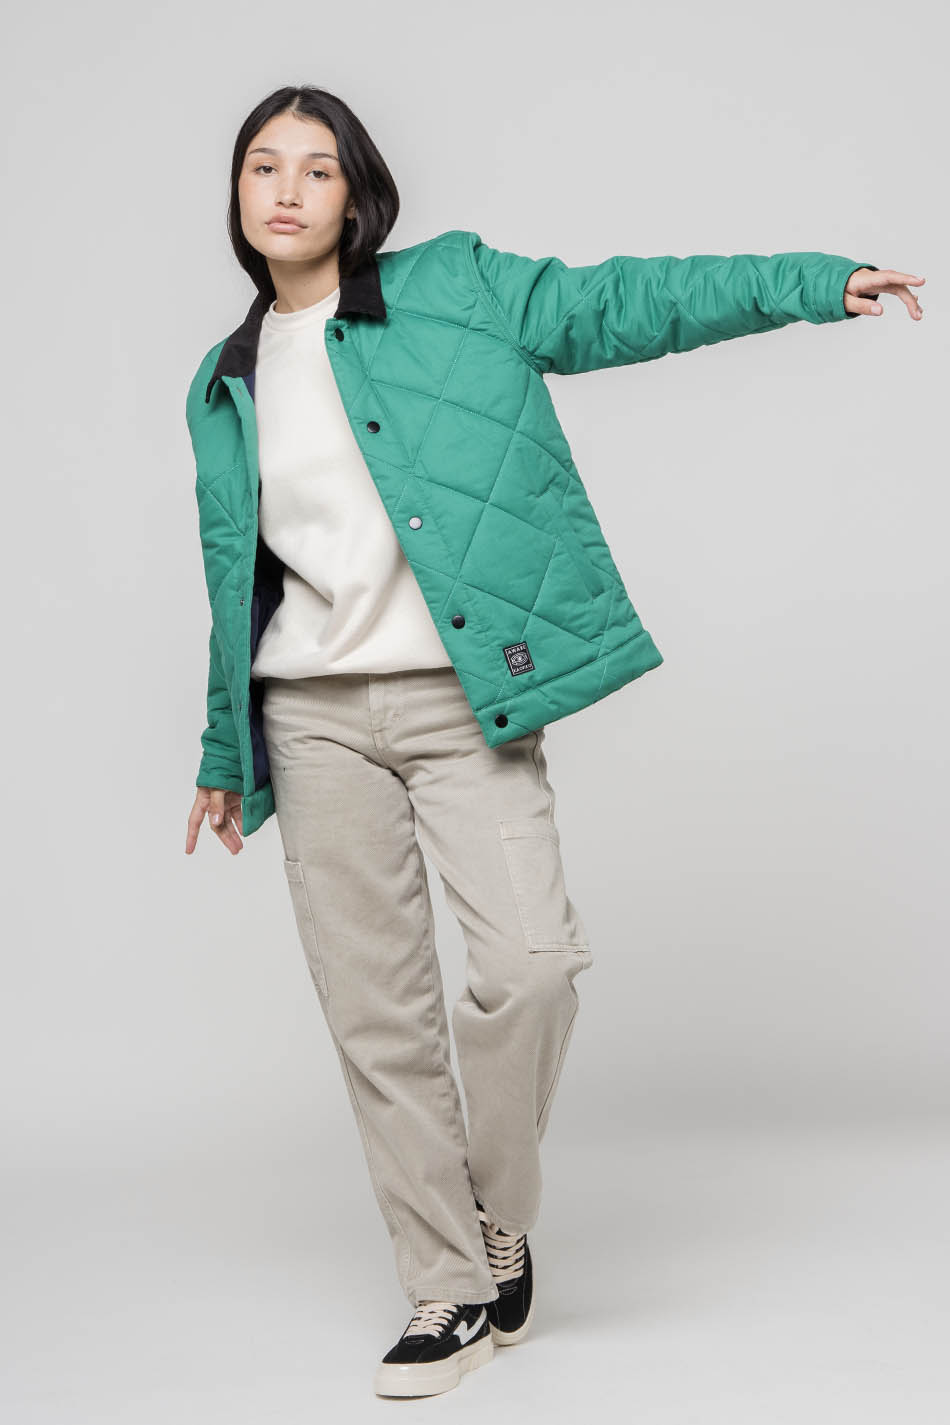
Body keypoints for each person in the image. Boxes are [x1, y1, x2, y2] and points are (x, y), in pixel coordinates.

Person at [183, 84, 923, 1399]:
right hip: (309, 715)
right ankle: (446, 1292)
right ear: (237, 194)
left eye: (317, 168)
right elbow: (235, 572)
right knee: (376, 1017)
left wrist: (817, 283)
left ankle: (494, 1210)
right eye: (262, 166)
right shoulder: (222, 380)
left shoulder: (457, 287)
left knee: (530, 967)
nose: (287, 190)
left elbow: (627, 301)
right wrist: (221, 753)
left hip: (460, 697)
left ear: (358, 195)